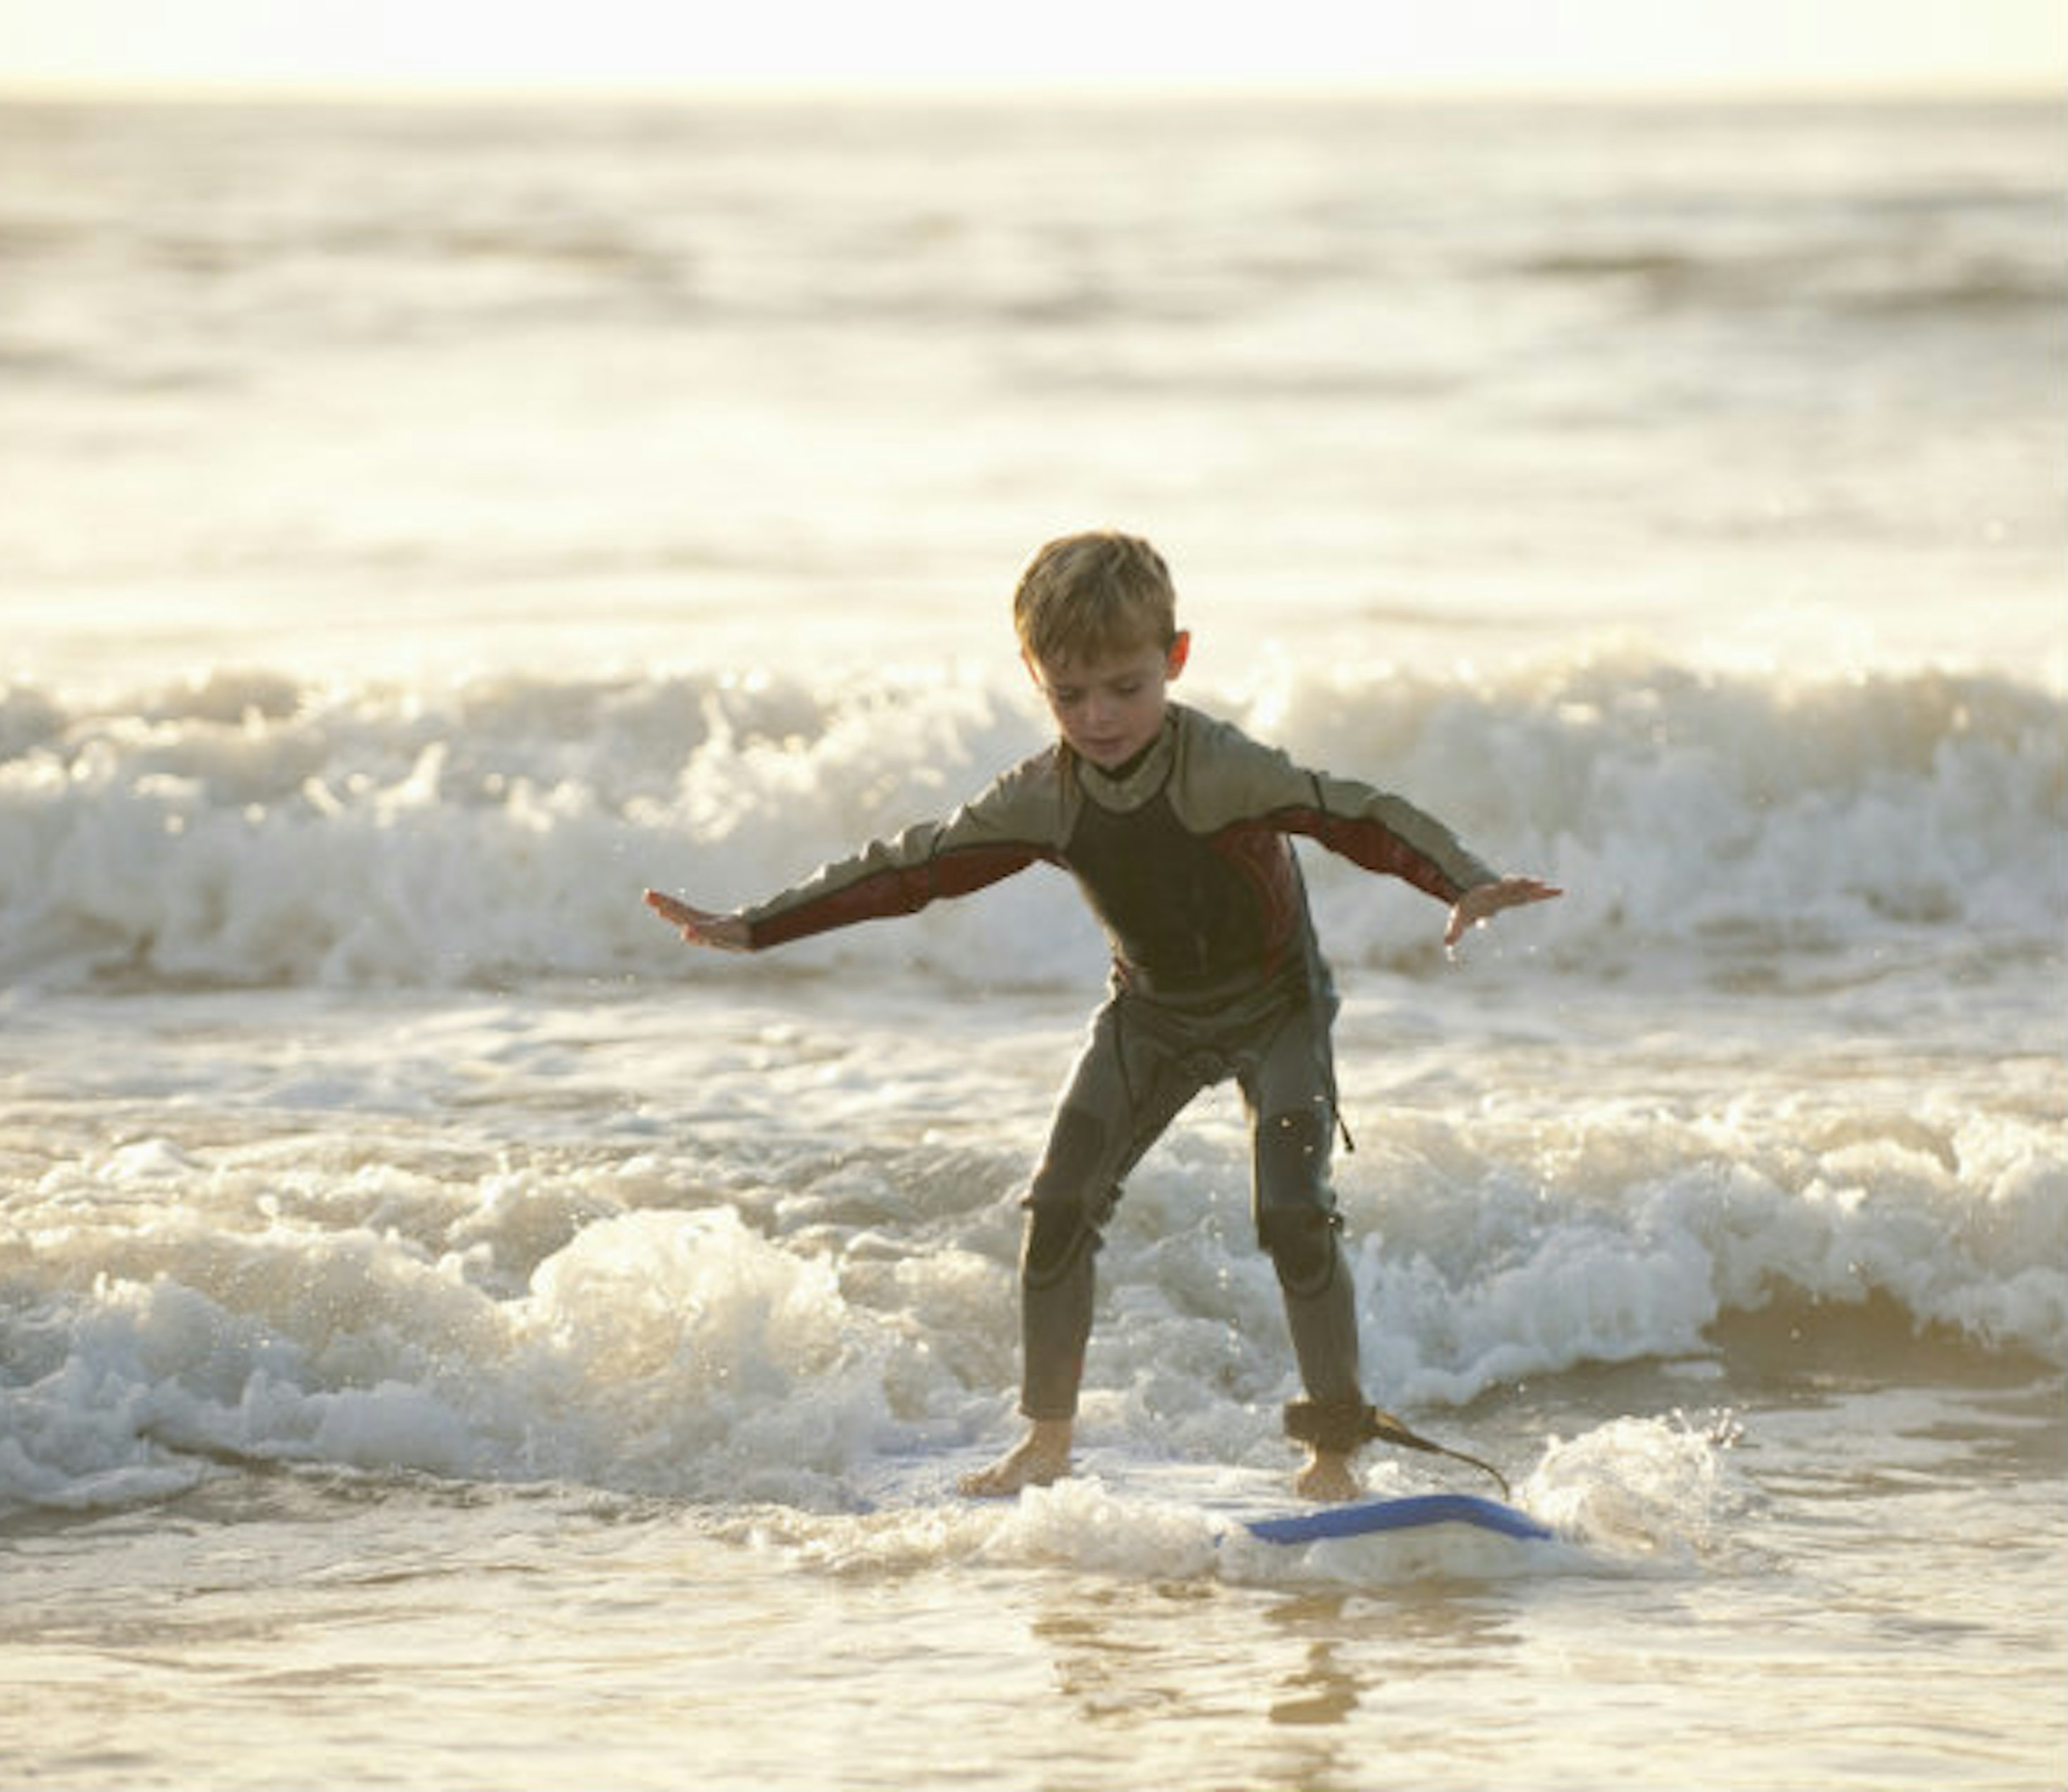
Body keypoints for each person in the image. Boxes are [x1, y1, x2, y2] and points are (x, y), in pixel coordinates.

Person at [645, 531, 1560, 1501]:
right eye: (1068, 696)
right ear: (1037, 681)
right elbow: (913, 867)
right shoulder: (1046, 795)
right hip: (1151, 1017)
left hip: (1277, 1009)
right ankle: (1047, 1442)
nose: (1100, 717)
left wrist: (1465, 880)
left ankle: (1333, 1453)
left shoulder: (1221, 769)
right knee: (1060, 1206)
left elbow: (1357, 814)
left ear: (1176, 658)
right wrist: (759, 928)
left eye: (1125, 687)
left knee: (1293, 1211)